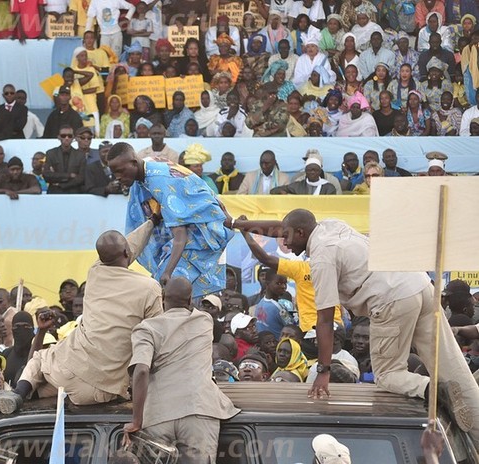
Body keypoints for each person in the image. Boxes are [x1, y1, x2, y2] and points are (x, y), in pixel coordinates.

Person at [254, 209, 479, 447]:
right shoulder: (331, 225)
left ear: (301, 232)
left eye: (287, 237)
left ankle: (434, 389)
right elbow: (282, 225)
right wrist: (239, 224)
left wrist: (323, 371)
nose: (284, 242)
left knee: (387, 375)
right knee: (453, 368)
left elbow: (325, 320)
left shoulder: (321, 257)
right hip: (419, 285)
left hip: (391, 300)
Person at [12, 217, 162, 406]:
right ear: (126, 252)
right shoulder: (150, 288)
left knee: (39, 360)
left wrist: (150, 222)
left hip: (64, 370)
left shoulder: (95, 272)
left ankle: (18, 393)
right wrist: (153, 222)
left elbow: (127, 248)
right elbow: (157, 338)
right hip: (101, 388)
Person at [123, 277, 239, 463]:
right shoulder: (204, 320)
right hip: (198, 411)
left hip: (159, 415)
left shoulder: (146, 328)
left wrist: (136, 421)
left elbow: (142, 371)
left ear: (163, 299)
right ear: (190, 299)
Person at [109, 142, 233, 296]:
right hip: (184, 229)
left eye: (120, 171)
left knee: (171, 290)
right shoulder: (147, 164)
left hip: (203, 231)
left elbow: (180, 236)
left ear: (134, 163)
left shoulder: (160, 182)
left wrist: (167, 272)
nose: (117, 178)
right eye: (114, 173)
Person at [43, 125, 86, 194]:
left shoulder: (80, 155)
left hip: (74, 194)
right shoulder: (50, 153)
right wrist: (70, 175)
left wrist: (61, 184)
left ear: (73, 138)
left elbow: (81, 178)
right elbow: (47, 175)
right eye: (63, 136)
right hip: (54, 193)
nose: (66, 138)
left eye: (69, 136)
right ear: (58, 137)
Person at [271, 158, 336, 195]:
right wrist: (281, 192)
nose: (312, 172)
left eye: (315, 170)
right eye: (309, 170)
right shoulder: (298, 186)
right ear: (305, 171)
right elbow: (273, 191)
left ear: (320, 171)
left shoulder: (329, 188)